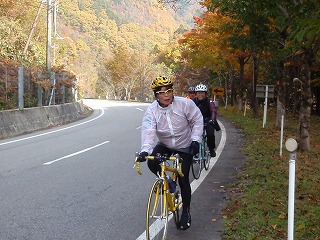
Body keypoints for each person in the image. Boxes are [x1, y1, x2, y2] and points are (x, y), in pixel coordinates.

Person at [137, 76, 203, 230]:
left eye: (169, 91)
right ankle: (167, 180)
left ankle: (186, 212)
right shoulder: (152, 111)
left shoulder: (185, 104)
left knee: (183, 177)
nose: (166, 95)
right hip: (165, 144)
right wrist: (145, 150)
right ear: (156, 95)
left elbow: (197, 120)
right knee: (152, 162)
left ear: (173, 92)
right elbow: (148, 131)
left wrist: (195, 140)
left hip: (185, 144)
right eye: (162, 92)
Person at [193, 83, 217, 157]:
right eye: (199, 93)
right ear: (196, 94)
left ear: (205, 94)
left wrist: (212, 120)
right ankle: (194, 150)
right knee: (190, 136)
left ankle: (211, 148)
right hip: (195, 122)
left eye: (202, 93)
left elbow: (213, 111)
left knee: (210, 134)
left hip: (207, 120)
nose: (201, 95)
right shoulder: (192, 102)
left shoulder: (209, 102)